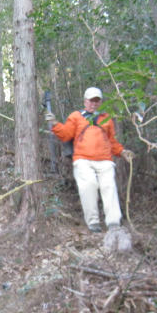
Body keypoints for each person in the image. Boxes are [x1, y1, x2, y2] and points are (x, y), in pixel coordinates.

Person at [46, 87, 134, 233]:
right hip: (83, 160)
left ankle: (113, 223)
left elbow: (112, 141)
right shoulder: (76, 116)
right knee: (88, 186)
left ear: (100, 102)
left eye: (97, 100)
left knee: (109, 187)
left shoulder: (106, 118)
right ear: (85, 101)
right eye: (91, 100)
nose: (93, 103)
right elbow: (66, 134)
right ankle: (93, 222)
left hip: (105, 160)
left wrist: (122, 152)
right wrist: (55, 123)